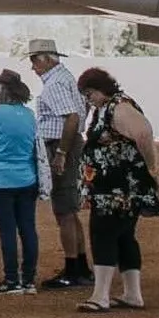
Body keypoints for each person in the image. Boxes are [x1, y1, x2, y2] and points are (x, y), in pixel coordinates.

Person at [76, 66, 159, 313]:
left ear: (101, 88)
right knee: (125, 236)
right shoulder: (109, 107)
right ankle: (132, 294)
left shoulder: (119, 107)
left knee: (103, 234)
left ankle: (100, 295)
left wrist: (152, 167)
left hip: (117, 189)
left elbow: (143, 134)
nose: (88, 99)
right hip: (117, 187)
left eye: (90, 93)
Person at [29, 37, 92, 289]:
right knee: (69, 209)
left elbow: (72, 118)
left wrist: (61, 152)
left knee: (63, 209)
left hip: (60, 144)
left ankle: (72, 268)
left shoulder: (54, 83)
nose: (33, 66)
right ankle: (79, 266)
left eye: (34, 60)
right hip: (68, 143)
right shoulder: (65, 78)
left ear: (45, 59)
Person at [0, 68, 43, 295]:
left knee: (7, 230)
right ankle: (29, 280)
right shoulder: (29, 114)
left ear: (2, 89)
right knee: (28, 228)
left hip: (1, 179)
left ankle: (11, 279)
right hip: (27, 177)